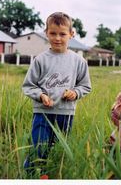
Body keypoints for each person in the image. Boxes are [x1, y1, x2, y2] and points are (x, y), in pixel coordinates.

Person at [22, 12, 91, 178]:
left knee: (58, 149)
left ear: (71, 35)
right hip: (42, 114)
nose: (57, 38)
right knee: (39, 147)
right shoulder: (40, 60)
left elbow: (85, 86)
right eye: (53, 33)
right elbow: (28, 85)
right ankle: (30, 175)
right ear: (46, 33)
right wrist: (41, 96)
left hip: (65, 115)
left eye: (62, 34)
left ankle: (51, 175)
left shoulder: (78, 61)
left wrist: (75, 93)